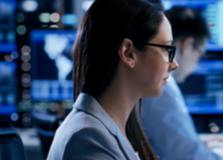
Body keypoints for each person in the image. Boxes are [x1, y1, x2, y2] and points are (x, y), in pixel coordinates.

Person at [47, 0, 178, 159]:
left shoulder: (104, 131)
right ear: (128, 53)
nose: (174, 64)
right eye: (166, 50)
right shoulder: (88, 140)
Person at [141, 7, 223, 160]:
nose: (196, 65)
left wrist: (197, 140)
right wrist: (221, 150)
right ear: (187, 45)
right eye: (199, 56)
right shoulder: (162, 87)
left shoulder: (148, 78)